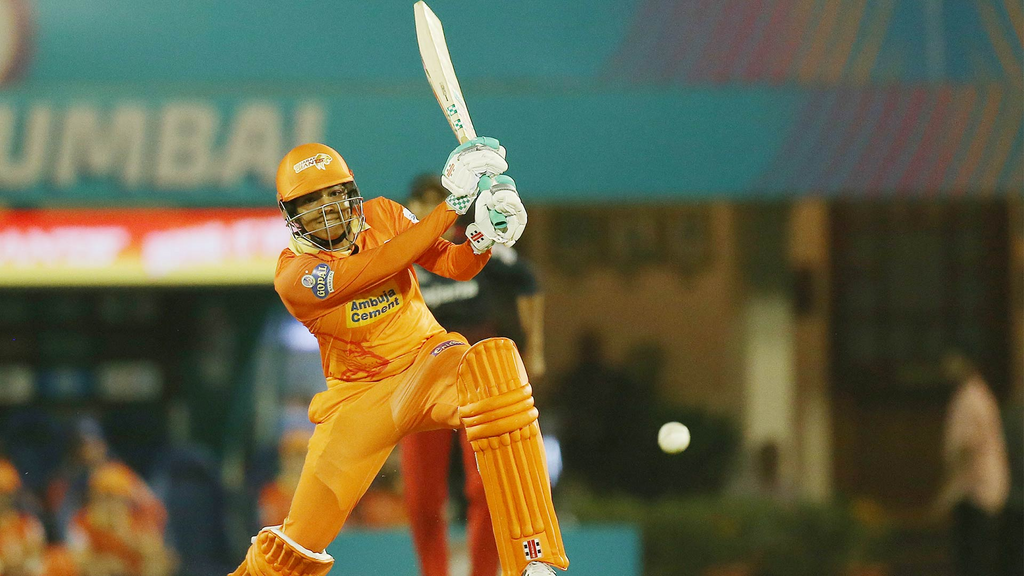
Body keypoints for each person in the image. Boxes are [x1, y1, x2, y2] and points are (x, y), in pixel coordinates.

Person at [229, 138, 567, 576]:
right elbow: (378, 266)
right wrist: (453, 205)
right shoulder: (294, 275)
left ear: (352, 191)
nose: (328, 209)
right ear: (290, 213)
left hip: (429, 361)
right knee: (294, 547)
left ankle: (533, 558)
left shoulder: (384, 214)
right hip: (359, 399)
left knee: (496, 368)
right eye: (311, 201)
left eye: (335, 193)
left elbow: (454, 264)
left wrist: (483, 234)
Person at [399, 174, 545, 576]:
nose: (428, 210)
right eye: (420, 202)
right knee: (421, 494)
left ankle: (483, 571)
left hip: (478, 370)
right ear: (409, 209)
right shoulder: (399, 253)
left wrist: (535, 350)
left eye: (436, 201)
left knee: (486, 485)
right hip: (423, 376)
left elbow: (529, 282)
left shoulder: (474, 242)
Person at [938, 352, 1010, 576]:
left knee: (974, 558)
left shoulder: (971, 398)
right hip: (975, 489)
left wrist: (948, 487)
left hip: (976, 490)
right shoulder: (974, 395)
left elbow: (967, 446)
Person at [67, 463, 175, 576]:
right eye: (103, 497)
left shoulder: (138, 521)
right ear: (93, 498)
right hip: (101, 570)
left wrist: (123, 533)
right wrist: (104, 562)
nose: (110, 504)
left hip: (133, 571)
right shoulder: (82, 521)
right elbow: (77, 558)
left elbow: (157, 554)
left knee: (157, 562)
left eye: (115, 497)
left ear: (126, 500)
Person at [0, 459, 46, 576]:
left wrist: (21, 564)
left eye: (6, 494)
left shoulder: (29, 524)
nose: (3, 499)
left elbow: (38, 561)